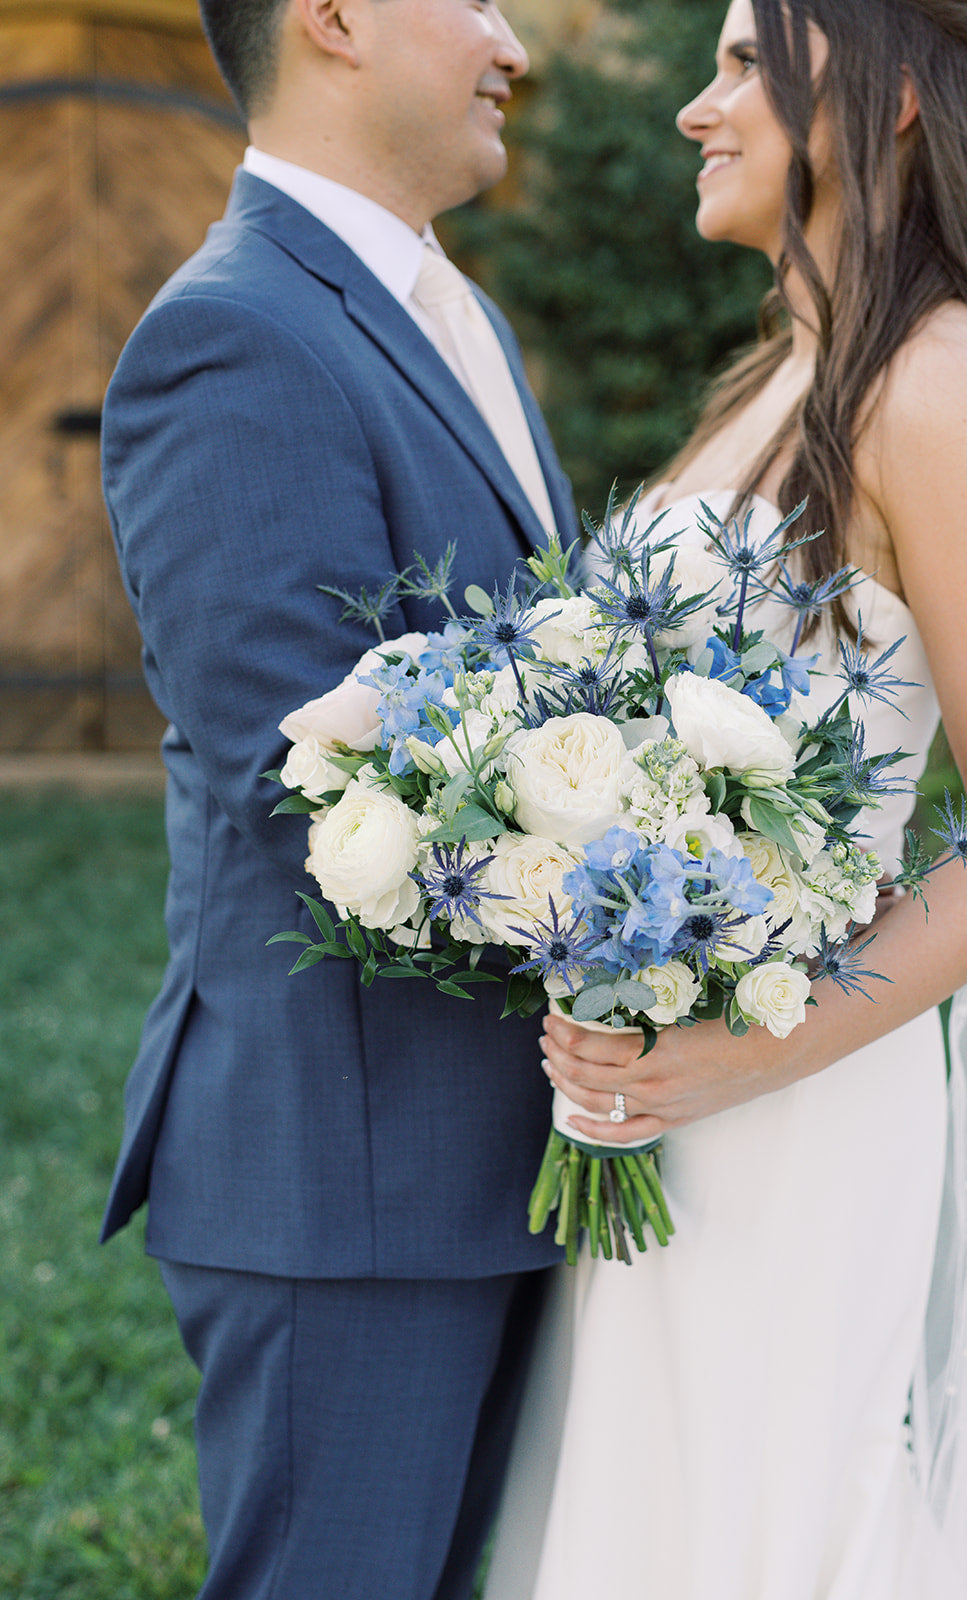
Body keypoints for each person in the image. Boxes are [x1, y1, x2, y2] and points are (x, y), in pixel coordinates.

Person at [483, 1, 967, 1597]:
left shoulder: (945, 394)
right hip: (660, 1087)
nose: (693, 109)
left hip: (792, 1101)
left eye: (741, 64)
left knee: (768, 1523)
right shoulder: (784, 377)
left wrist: (741, 1049)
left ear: (894, 99)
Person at [99, 2, 576, 1597]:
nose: (515, 41)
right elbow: (296, 786)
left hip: (495, 1161)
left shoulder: (465, 319)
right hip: (349, 1179)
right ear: (336, 17)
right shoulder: (232, 330)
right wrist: (625, 871)